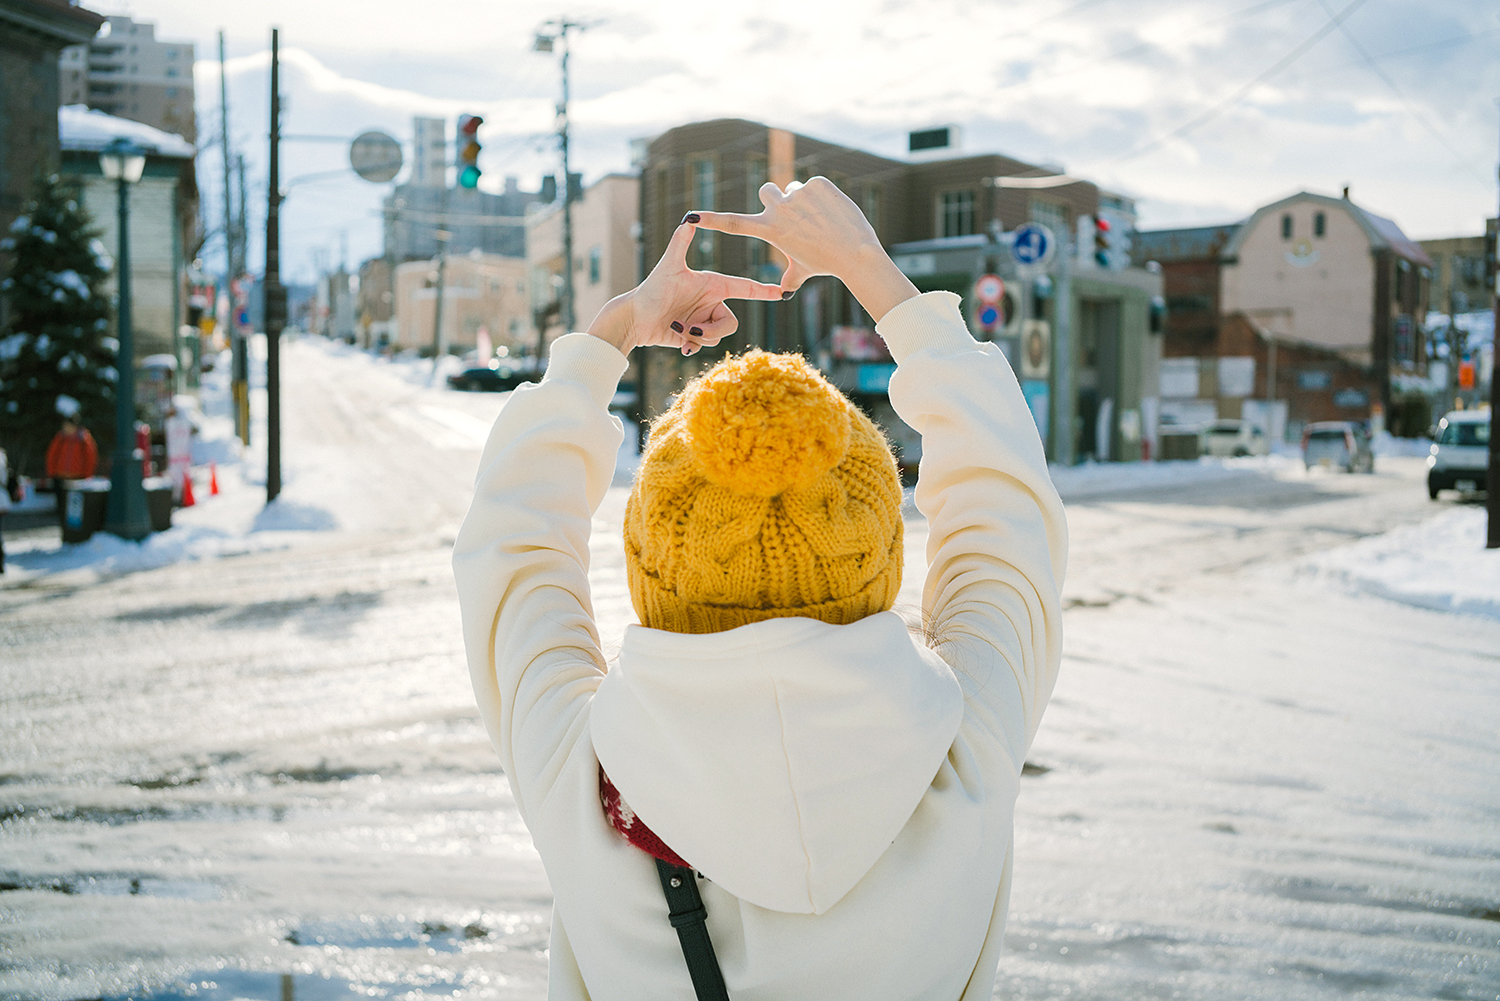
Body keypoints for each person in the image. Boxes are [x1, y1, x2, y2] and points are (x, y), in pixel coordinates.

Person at [453, 177, 1067, 1000]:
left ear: (653, 561)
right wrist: (871, 270)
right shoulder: (970, 740)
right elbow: (1005, 501)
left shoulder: (582, 770)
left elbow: (511, 543)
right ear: (875, 552)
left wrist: (615, 330)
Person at [46, 416, 98, 492]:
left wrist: (87, 475)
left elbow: (90, 458)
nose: (66, 429)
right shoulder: (60, 439)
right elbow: (51, 455)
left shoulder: (84, 440)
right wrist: (52, 473)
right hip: (60, 476)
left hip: (78, 477)